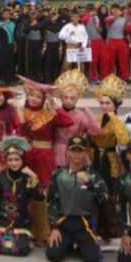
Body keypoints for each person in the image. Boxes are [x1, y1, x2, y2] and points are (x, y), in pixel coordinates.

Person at [20, 76, 75, 243]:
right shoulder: (24, 112)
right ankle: (28, 228)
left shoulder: (49, 113)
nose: (34, 99)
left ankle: (44, 232)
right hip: (28, 154)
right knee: (27, 190)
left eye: (38, 97)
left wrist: (54, 106)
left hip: (44, 156)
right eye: (32, 95)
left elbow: (68, 121)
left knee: (44, 192)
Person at [45, 137, 109, 262]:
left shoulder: (93, 175)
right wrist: (54, 228)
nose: (77, 154)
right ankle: (67, 244)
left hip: (84, 223)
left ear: (85, 153)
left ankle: (81, 246)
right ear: (67, 152)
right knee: (53, 256)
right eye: (73, 150)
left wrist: (90, 183)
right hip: (64, 221)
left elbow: (104, 199)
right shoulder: (58, 174)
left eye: (80, 151)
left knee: (93, 261)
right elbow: (51, 201)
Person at [0, 136, 43, 257]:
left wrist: (33, 177)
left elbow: (39, 197)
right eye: (10, 160)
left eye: (17, 159)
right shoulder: (0, 177)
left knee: (21, 249)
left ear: (22, 160)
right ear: (6, 160)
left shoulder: (27, 177)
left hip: (20, 222)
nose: (14, 163)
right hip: (2, 220)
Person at [90, 75, 131, 243]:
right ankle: (94, 229)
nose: (104, 106)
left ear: (116, 104)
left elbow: (124, 140)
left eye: (108, 103)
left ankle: (110, 230)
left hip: (110, 158)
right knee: (93, 192)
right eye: (102, 102)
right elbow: (88, 135)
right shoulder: (97, 118)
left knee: (109, 195)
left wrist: (114, 119)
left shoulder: (118, 121)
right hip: (94, 157)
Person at [52, 69, 102, 168]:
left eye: (72, 98)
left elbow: (96, 132)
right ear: (61, 97)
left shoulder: (81, 115)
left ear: (78, 98)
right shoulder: (54, 113)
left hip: (76, 150)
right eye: (65, 97)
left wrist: (88, 112)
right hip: (57, 150)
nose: (68, 100)